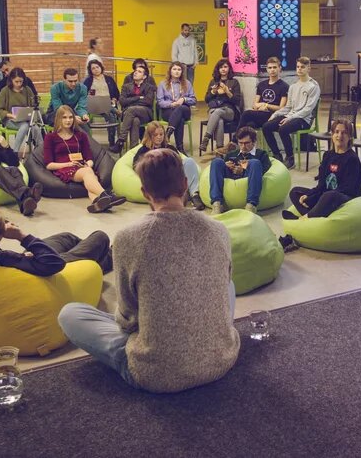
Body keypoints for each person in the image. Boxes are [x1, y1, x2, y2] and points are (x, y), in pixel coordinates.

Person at [58, 149, 240, 393]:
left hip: (157, 374)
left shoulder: (128, 238)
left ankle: (160, 355)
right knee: (229, 286)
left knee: (70, 314)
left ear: (144, 192)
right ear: (185, 184)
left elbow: (127, 318)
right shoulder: (220, 230)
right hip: (222, 359)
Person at [0, 207, 113, 274]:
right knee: (100, 237)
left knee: (66, 237)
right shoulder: (4, 258)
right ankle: (108, 257)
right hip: (42, 267)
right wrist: (21, 236)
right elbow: (55, 263)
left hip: (25, 260)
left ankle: (101, 257)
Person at [44, 105, 125, 213]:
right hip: (64, 168)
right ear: (58, 119)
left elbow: (89, 157)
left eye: (70, 117)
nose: (68, 120)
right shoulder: (51, 137)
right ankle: (106, 195)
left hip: (82, 166)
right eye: (64, 117)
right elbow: (49, 164)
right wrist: (68, 164)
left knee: (89, 173)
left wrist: (87, 165)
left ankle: (96, 202)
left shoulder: (81, 135)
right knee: (88, 173)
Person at [283, 120, 361, 221]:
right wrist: (310, 195)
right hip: (325, 196)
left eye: (344, 133)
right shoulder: (328, 156)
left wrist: (319, 196)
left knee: (329, 195)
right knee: (295, 192)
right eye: (337, 132)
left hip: (343, 197)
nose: (340, 135)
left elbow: (348, 188)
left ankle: (303, 219)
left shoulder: (352, 159)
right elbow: (321, 186)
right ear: (332, 135)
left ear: (349, 137)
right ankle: (312, 216)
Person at [262, 57, 320, 169]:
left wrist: (290, 118)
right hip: (291, 116)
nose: (299, 69)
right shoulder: (293, 86)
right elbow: (288, 107)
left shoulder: (313, 86)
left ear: (309, 68)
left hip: (304, 119)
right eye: (298, 67)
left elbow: (308, 110)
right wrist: (275, 114)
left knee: (283, 129)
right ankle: (277, 155)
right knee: (266, 126)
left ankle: (290, 158)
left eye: (302, 67)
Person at [134, 121, 204, 210]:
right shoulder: (143, 150)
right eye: (155, 135)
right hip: (159, 177)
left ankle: (194, 195)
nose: (159, 137)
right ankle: (181, 196)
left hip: (173, 174)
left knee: (189, 161)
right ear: (150, 136)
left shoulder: (169, 147)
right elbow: (137, 165)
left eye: (161, 134)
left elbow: (179, 161)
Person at [209, 126, 271, 214]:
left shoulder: (261, 154)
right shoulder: (232, 154)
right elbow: (220, 171)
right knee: (216, 162)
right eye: (240, 143)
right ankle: (217, 203)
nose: (243, 146)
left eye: (246, 143)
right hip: (231, 177)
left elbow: (263, 171)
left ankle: (251, 205)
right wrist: (226, 166)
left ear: (254, 142)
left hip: (249, 178)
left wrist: (244, 171)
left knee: (255, 163)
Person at [0, 67, 43, 154]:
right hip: (10, 119)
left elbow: (33, 105)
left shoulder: (27, 90)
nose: (19, 84)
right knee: (24, 126)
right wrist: (11, 115)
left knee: (35, 128)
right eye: (16, 82)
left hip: (25, 119)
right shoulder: (5, 91)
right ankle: (15, 152)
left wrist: (30, 111)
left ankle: (41, 151)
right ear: (11, 80)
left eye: (21, 81)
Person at [111, 65, 156, 153]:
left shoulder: (149, 87)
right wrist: (139, 98)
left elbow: (148, 101)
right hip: (129, 114)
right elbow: (122, 101)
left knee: (131, 110)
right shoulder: (126, 86)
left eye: (139, 71)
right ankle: (134, 151)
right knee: (135, 121)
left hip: (145, 112)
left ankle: (121, 140)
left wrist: (131, 101)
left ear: (144, 76)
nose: (135, 72)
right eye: (135, 71)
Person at [200, 58, 242, 153]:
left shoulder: (234, 82)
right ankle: (220, 148)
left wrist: (227, 91)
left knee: (218, 112)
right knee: (219, 120)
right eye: (221, 67)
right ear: (218, 69)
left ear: (229, 69)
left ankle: (206, 138)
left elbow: (237, 100)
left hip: (229, 110)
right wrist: (213, 92)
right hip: (214, 109)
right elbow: (206, 99)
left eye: (225, 67)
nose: (223, 69)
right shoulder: (213, 82)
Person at [237, 56, 289, 130]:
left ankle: (235, 140)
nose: (272, 70)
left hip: (273, 116)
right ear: (267, 69)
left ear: (280, 68)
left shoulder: (284, 86)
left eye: (275, 67)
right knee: (249, 125)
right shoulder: (261, 85)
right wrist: (260, 107)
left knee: (246, 114)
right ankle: (243, 141)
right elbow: (254, 105)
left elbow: (281, 108)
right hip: (260, 113)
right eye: (270, 68)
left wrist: (266, 105)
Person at [156, 61, 196, 153]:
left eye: (179, 69)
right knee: (180, 120)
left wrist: (184, 100)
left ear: (182, 72)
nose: (177, 71)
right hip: (169, 110)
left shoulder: (187, 83)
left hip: (184, 109)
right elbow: (160, 102)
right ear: (170, 71)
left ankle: (168, 133)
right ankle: (180, 148)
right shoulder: (162, 84)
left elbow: (194, 100)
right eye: (174, 69)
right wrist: (171, 104)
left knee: (180, 109)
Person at [83, 59, 121, 145]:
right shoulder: (88, 80)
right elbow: (83, 94)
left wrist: (114, 99)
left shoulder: (109, 79)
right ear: (90, 70)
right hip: (94, 105)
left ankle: (111, 142)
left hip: (108, 104)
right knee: (110, 111)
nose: (96, 69)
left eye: (97, 67)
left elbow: (116, 93)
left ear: (101, 67)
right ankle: (116, 111)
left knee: (111, 116)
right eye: (93, 68)